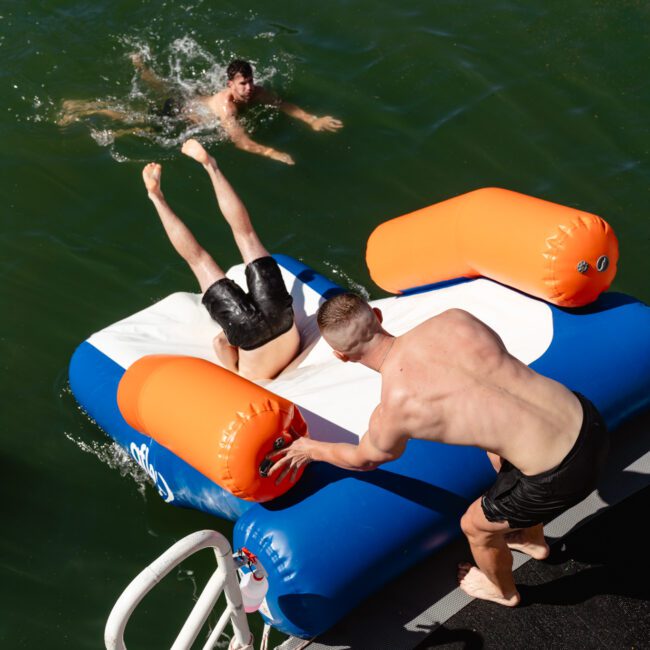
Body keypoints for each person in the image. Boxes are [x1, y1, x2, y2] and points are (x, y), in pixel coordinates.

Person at [268, 292, 609, 606]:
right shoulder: (455, 319)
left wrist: (310, 449)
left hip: (560, 476)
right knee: (497, 448)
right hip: (588, 418)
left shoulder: (395, 409)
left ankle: (503, 592)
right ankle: (531, 539)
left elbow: (363, 459)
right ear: (377, 314)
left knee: (475, 527)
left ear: (341, 356)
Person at [142, 138, 300, 380]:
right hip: (247, 331)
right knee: (199, 260)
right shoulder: (254, 377)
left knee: (245, 233)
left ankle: (210, 166)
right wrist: (234, 366)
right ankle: (156, 196)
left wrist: (234, 362)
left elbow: (221, 344)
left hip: (282, 315)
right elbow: (220, 344)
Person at [59, 56, 343, 165]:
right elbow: (240, 141)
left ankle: (141, 66)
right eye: (242, 83)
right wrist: (272, 152)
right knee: (136, 120)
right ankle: (85, 108)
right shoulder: (226, 106)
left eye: (250, 82)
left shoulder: (257, 93)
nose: (248, 88)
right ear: (230, 83)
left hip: (192, 98)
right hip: (179, 111)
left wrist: (312, 119)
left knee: (162, 85)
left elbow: (283, 104)